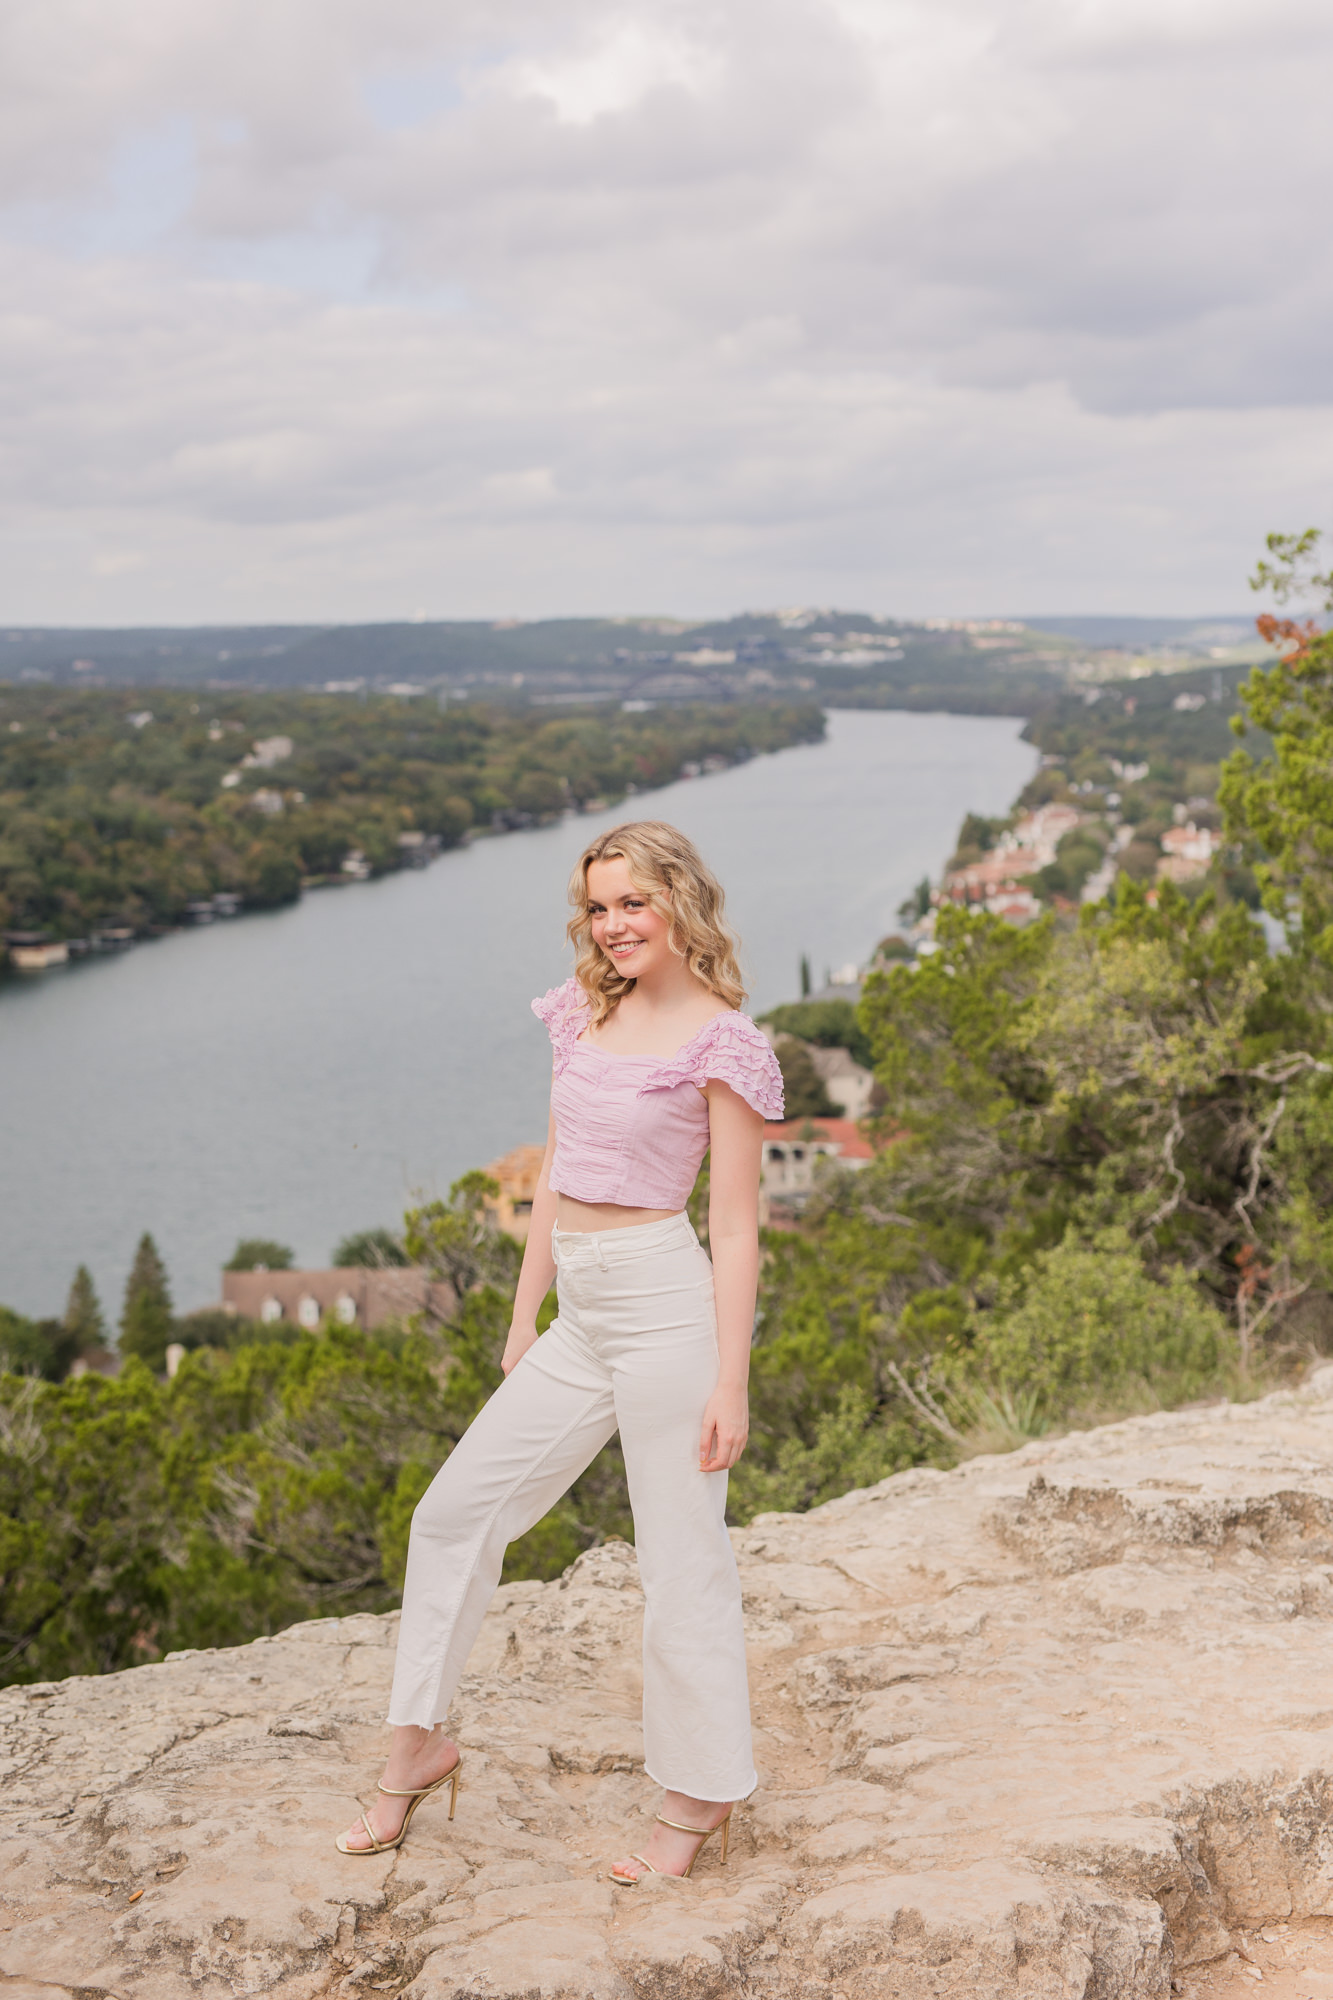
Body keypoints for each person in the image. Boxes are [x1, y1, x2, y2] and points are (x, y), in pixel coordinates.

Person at [337, 819, 783, 1882]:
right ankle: (419, 1740)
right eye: (597, 905)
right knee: (452, 1512)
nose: (613, 924)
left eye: (633, 902)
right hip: (579, 1315)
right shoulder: (585, 1009)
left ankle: (697, 1795)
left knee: (681, 1559)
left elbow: (736, 1223)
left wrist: (732, 1377)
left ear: (679, 899)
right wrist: (522, 1312)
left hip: (668, 1311)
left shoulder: (723, 1040)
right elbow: (553, 1174)